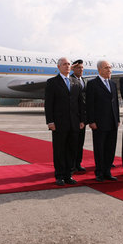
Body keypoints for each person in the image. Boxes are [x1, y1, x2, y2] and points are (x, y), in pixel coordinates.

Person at [44, 57, 86, 186]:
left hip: (74, 123)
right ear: (58, 67)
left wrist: (82, 120)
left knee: (72, 149)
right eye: (64, 64)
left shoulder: (75, 82)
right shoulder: (52, 82)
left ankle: (69, 175)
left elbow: (81, 103)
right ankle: (60, 175)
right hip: (59, 123)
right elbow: (49, 104)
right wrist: (50, 121)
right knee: (59, 150)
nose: (67, 66)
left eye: (68, 64)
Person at [86, 60, 120, 182]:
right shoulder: (92, 84)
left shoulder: (112, 84)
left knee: (110, 148)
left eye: (110, 67)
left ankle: (107, 172)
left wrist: (118, 119)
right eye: (106, 67)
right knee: (100, 148)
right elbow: (90, 104)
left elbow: (115, 103)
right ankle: (99, 172)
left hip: (112, 122)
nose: (109, 70)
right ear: (99, 69)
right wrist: (91, 121)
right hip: (99, 122)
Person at [70, 59, 87, 173]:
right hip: (72, 117)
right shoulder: (69, 80)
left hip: (83, 117)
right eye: (78, 68)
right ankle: (71, 166)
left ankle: (78, 164)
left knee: (80, 142)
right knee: (72, 143)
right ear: (73, 69)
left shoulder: (85, 81)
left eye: (82, 68)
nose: (80, 70)